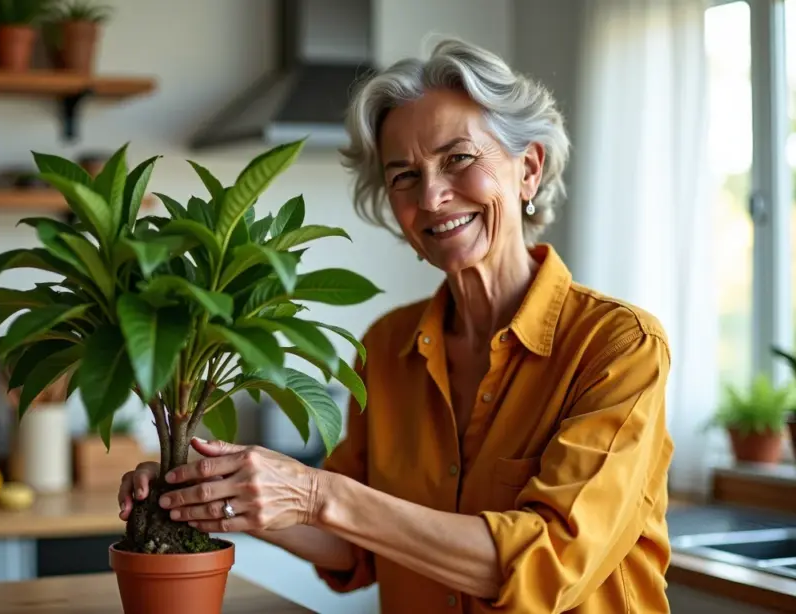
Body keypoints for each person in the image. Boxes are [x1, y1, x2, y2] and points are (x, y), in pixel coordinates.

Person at [118, 36, 674, 613]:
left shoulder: (619, 346)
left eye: (458, 158)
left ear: (528, 169)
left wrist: (315, 494)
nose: (431, 196)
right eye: (403, 176)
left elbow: (549, 563)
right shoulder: (388, 346)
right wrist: (219, 489)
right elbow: (352, 548)